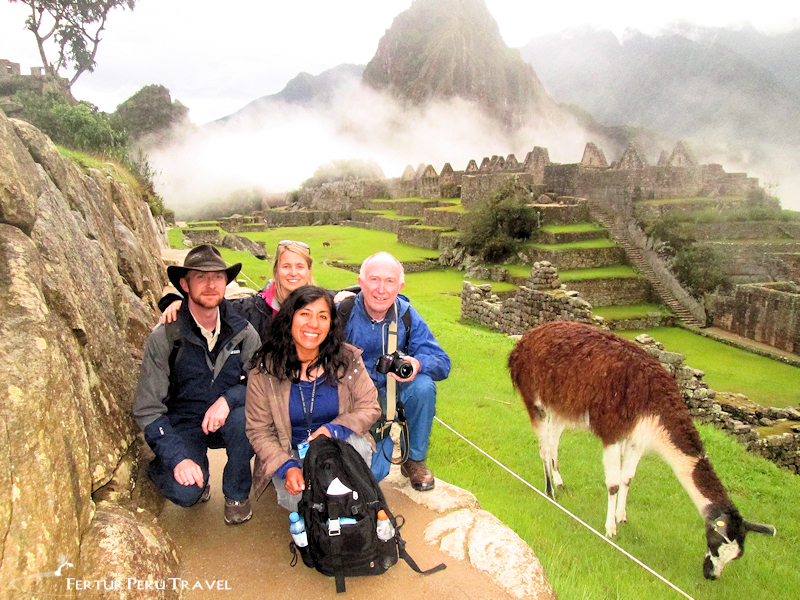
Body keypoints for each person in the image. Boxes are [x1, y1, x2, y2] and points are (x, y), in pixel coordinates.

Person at [133, 244, 261, 524]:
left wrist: (229, 399)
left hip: (226, 418)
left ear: (226, 282)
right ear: (184, 284)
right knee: (185, 493)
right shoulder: (165, 336)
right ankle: (181, 468)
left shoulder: (244, 332)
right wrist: (177, 458)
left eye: (217, 277)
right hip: (183, 422)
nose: (210, 284)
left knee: (247, 421)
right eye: (200, 277)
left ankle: (237, 493)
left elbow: (260, 387)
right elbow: (148, 409)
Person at [246, 285, 381, 511]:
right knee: (297, 501)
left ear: (331, 324)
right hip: (290, 452)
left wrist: (333, 429)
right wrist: (286, 466)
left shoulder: (348, 359)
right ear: (289, 319)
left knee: (357, 450)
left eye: (323, 316)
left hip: (339, 446)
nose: (314, 324)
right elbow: (258, 429)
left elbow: (370, 408)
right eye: (305, 314)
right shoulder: (266, 369)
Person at [344, 252, 451, 491]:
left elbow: (442, 362)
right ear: (360, 283)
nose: (381, 289)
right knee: (369, 474)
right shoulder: (343, 312)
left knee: (423, 386)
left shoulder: (406, 314)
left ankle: (414, 460)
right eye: (374, 279)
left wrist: (417, 364)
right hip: (350, 400)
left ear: (400, 286)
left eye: (390, 281)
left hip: (389, 395)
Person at [160, 240, 351, 341]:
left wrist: (353, 297)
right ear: (276, 270)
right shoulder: (254, 307)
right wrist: (179, 301)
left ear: (309, 270)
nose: (293, 273)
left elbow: (369, 296)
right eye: (286, 266)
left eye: (300, 267)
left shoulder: (326, 301)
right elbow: (214, 304)